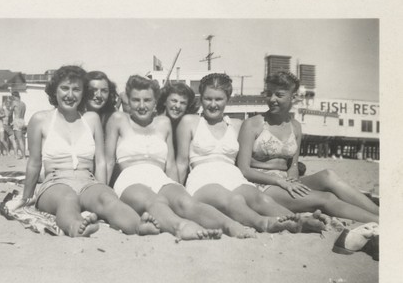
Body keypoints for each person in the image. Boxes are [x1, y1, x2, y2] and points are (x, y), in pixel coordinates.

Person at [3, 65, 160, 237]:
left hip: (88, 181)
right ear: (54, 91)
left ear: (83, 92)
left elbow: (100, 161)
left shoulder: (91, 120)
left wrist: (102, 188)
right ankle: (75, 227)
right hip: (55, 183)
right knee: (68, 199)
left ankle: (139, 226)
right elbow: (34, 162)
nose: (70, 95)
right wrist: (26, 198)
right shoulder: (41, 119)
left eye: (76, 89)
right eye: (65, 88)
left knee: (108, 199)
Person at [105, 75, 254, 240]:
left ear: (155, 102)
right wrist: (104, 190)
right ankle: (180, 227)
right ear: (129, 101)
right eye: (135, 100)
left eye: (147, 100)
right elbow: (107, 161)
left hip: (160, 178)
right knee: (153, 201)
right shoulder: (118, 119)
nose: (141, 106)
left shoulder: (163, 123)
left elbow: (170, 165)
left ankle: (230, 225)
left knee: (186, 202)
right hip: (130, 179)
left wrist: (178, 187)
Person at [175, 74, 326, 233]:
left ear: (228, 99)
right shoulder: (190, 122)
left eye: (218, 99)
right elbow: (180, 163)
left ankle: (300, 221)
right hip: (203, 179)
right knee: (233, 200)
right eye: (207, 99)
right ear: (201, 99)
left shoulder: (236, 125)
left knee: (260, 199)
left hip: (233, 176)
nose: (213, 104)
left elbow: (251, 157)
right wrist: (177, 194)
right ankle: (264, 223)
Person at [237, 71, 379, 223]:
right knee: (327, 198)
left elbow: (293, 165)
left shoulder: (295, 126)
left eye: (279, 94)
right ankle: (381, 222)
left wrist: (291, 180)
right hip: (261, 186)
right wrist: (279, 182)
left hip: (287, 183)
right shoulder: (252, 124)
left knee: (328, 176)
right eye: (269, 93)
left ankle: (384, 214)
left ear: (293, 97)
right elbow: (243, 170)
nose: (272, 99)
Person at [156, 82, 198, 153]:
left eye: (183, 103)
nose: (178, 106)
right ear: (164, 102)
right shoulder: (154, 123)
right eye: (174, 101)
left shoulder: (187, 127)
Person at [11, 91, 27, 159]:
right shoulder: (23, 104)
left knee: (18, 139)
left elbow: (10, 112)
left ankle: (23, 156)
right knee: (16, 138)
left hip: (17, 120)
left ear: (14, 96)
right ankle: (16, 154)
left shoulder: (14, 103)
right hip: (22, 120)